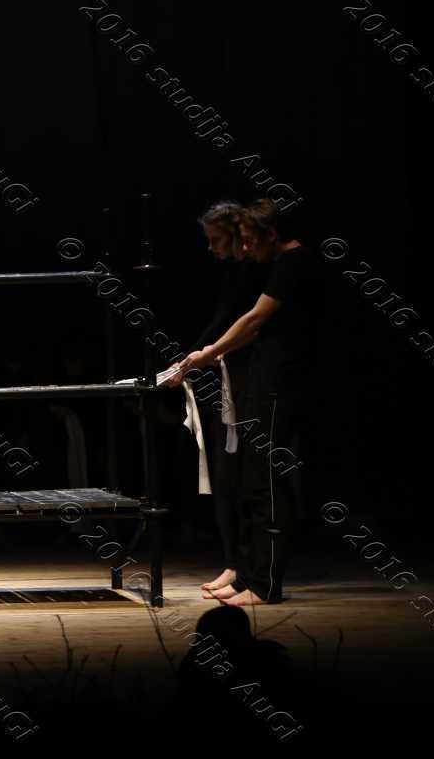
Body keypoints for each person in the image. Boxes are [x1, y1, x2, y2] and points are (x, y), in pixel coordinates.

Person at [175, 200, 318, 605]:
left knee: (267, 480)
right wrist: (216, 351)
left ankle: (265, 583)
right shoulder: (278, 263)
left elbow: (254, 319)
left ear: (271, 235)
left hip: (281, 382)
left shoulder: (294, 264)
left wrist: (208, 352)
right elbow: (253, 329)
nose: (247, 249)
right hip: (263, 376)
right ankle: (247, 576)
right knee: (253, 479)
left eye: (251, 241)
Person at [168, 202, 268, 593]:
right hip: (225, 375)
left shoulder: (257, 270)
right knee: (223, 475)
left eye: (216, 240)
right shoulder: (232, 273)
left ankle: (247, 568)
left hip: (247, 378)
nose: (211, 249)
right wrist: (189, 359)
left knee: (240, 475)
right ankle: (233, 562)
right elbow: (221, 320)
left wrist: (197, 357)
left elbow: (246, 323)